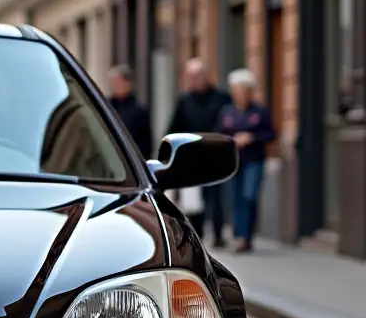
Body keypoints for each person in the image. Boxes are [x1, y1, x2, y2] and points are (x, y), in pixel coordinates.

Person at [167, 58, 232, 247]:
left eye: (199, 75)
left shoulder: (222, 98)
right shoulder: (184, 101)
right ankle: (199, 234)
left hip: (216, 156)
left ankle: (219, 234)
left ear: (207, 76)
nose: (196, 79)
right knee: (194, 201)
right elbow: (173, 127)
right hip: (192, 158)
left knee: (216, 198)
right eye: (192, 76)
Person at [217, 69, 276, 253]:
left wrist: (252, 138)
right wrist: (232, 140)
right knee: (235, 198)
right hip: (233, 161)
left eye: (243, 89)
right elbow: (218, 133)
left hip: (254, 159)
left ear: (250, 91)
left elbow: (271, 134)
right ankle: (240, 237)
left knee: (249, 195)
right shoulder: (227, 112)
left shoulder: (260, 111)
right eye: (236, 89)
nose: (239, 93)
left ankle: (247, 234)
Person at [107, 64, 153, 159]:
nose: (114, 86)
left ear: (127, 83)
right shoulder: (107, 107)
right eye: (113, 83)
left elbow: (146, 144)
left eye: (118, 82)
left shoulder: (139, 110)